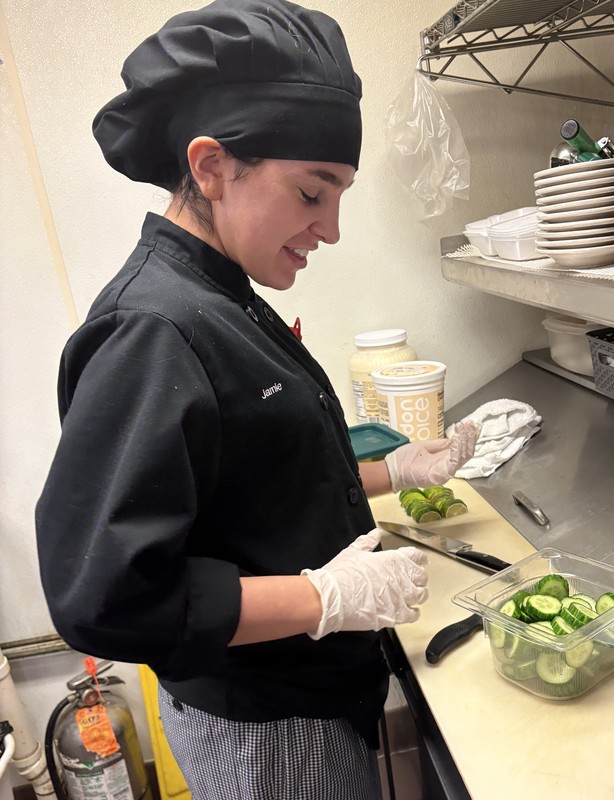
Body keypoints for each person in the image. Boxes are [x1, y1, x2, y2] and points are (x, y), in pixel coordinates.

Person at [35, 2, 478, 798]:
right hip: (264, 732)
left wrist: (396, 469)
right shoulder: (153, 328)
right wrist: (325, 597)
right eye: (313, 193)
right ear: (210, 167)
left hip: (308, 696)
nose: (331, 228)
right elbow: (104, 598)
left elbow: (261, 478)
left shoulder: (224, 295)